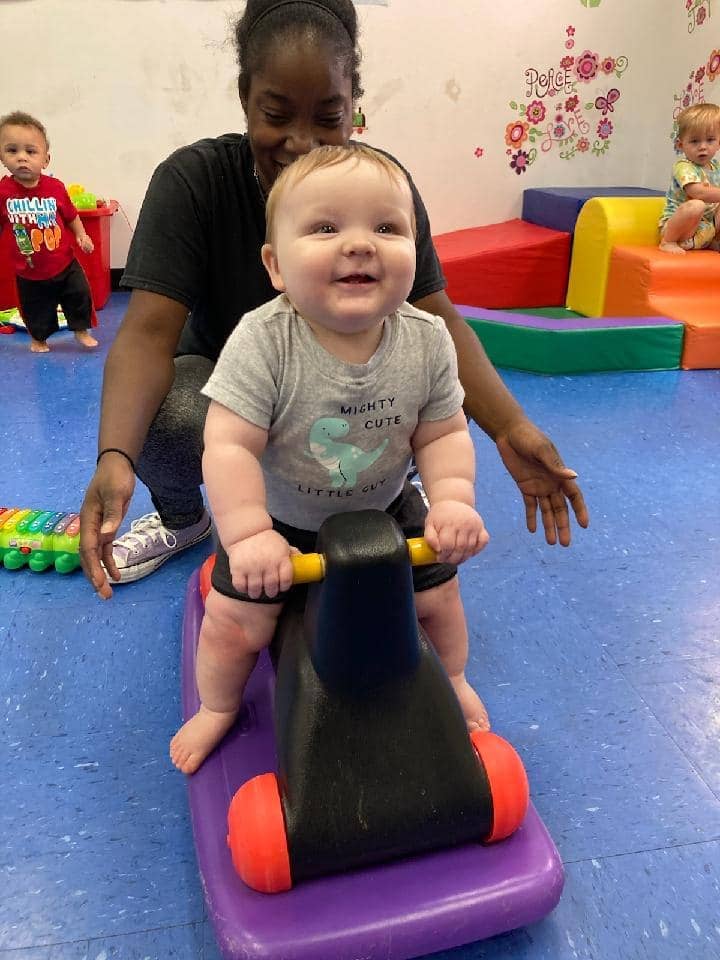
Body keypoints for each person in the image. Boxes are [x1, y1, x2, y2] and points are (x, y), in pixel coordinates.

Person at [79, 0, 588, 599]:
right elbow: (145, 334)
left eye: (329, 117)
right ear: (245, 99)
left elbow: (436, 316)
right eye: (275, 114)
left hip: (347, 392)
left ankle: (387, 489)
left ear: (354, 105)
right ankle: (183, 518)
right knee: (177, 416)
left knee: (408, 396)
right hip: (239, 390)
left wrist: (510, 427)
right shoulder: (193, 182)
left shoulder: (377, 188)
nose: (302, 143)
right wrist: (115, 457)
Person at [171, 143, 491, 774]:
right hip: (281, 519)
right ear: (276, 266)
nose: (360, 243)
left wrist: (453, 499)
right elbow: (229, 444)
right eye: (324, 227)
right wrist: (248, 533)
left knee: (439, 599)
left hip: (385, 506)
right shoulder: (264, 341)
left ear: (416, 252)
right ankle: (216, 707)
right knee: (237, 625)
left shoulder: (427, 340)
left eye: (387, 227)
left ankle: (450, 679)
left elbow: (443, 432)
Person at [0, 111, 98, 353]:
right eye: (12, 151)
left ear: (45, 159)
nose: (22, 158)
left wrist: (81, 235)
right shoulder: (3, 192)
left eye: (30, 152)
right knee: (35, 307)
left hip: (64, 262)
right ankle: (39, 339)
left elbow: (71, 215)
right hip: (29, 269)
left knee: (79, 293)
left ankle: (81, 329)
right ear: (2, 157)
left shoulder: (55, 188)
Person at [659, 102, 720, 254]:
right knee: (696, 205)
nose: (702, 147)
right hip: (680, 228)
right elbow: (698, 192)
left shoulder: (716, 167)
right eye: (694, 141)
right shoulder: (684, 166)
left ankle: (712, 240)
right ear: (681, 145)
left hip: (704, 229)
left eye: (710, 140)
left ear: (719, 143)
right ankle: (668, 241)